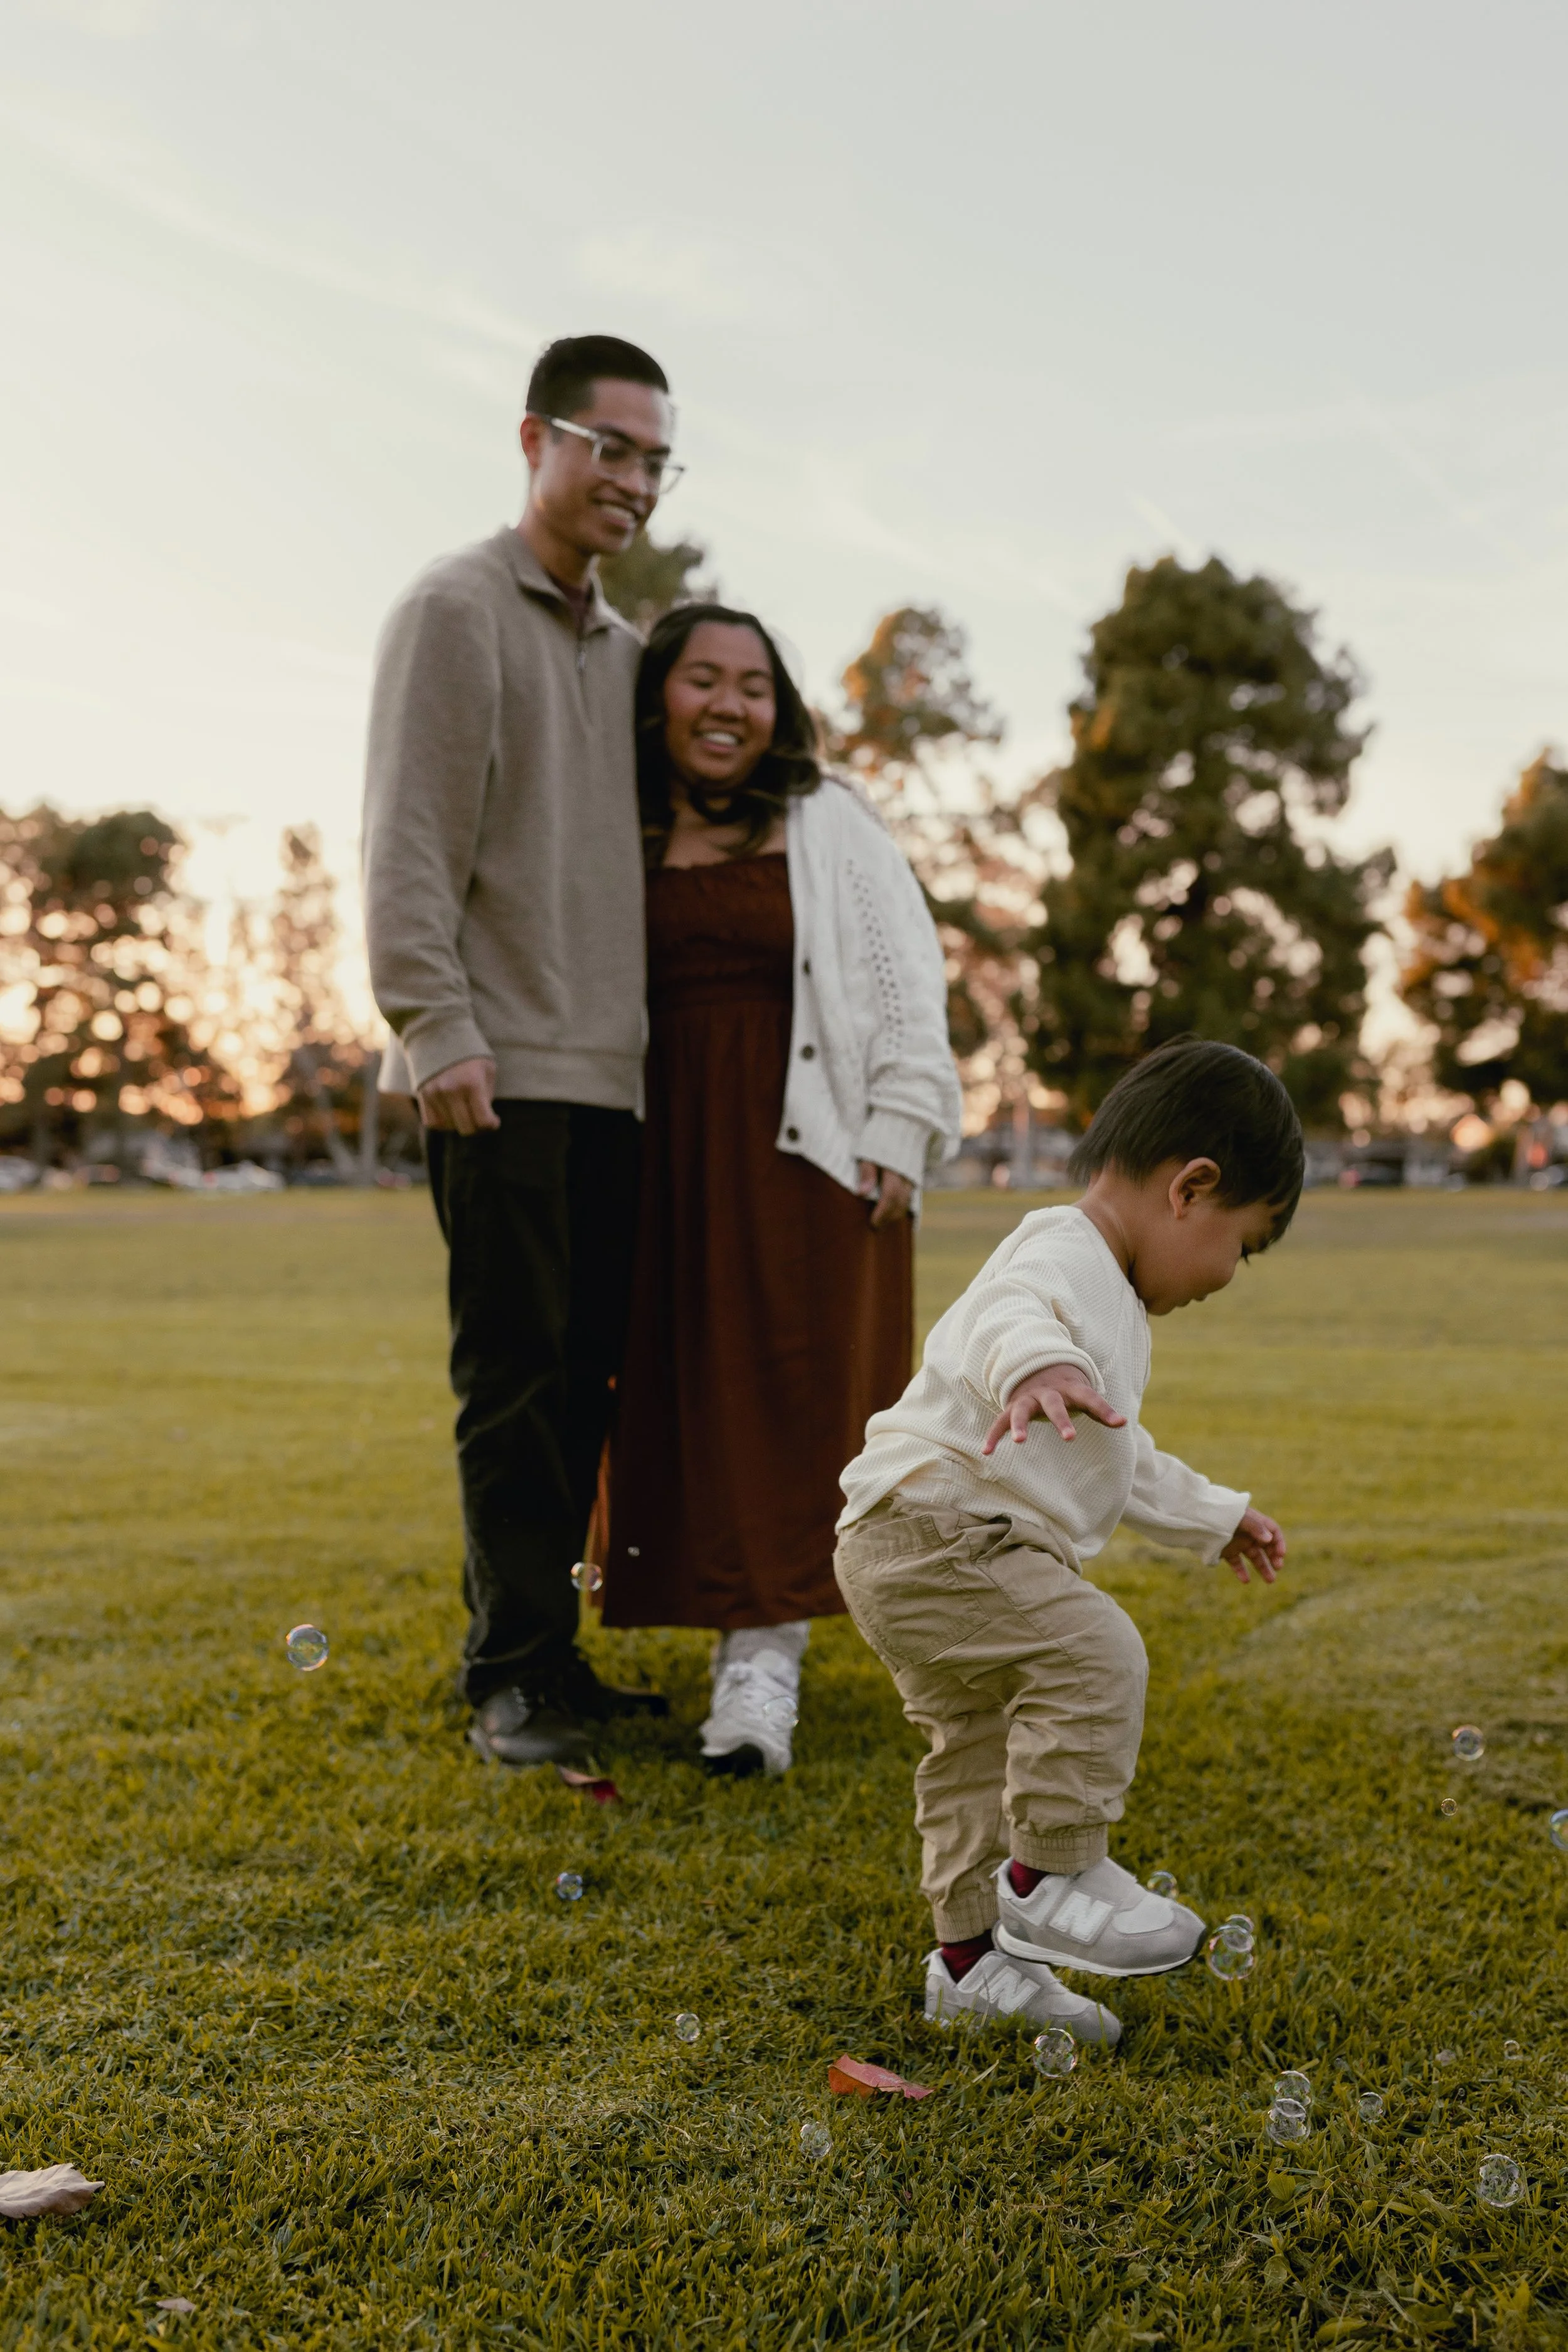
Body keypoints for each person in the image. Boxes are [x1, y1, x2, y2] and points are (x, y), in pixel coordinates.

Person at [833, 1039, 1300, 2046]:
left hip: (898, 1542)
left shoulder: (1111, 1297)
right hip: (940, 1530)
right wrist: (1036, 1364)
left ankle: (969, 1965)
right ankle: (1050, 1874)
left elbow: (1120, 1457)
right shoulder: (1065, 1253)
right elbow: (1006, 1313)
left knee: (974, 1748)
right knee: (1098, 1652)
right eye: (1245, 1243)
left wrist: (1216, 1514)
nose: (1230, 1275)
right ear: (1193, 1188)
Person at [362, 333, 684, 1766]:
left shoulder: (628, 657)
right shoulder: (451, 609)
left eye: (656, 461)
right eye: (609, 446)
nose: (632, 480)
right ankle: (510, 1678)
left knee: (586, 1382)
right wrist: (436, 1027)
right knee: (513, 1380)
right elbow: (407, 840)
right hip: (495, 1069)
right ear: (533, 440)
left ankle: (548, 1656)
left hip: (612, 1079)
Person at [599, 604, 963, 1775]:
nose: (729, 705)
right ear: (658, 697)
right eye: (701, 679)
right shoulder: (617, 823)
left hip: (810, 1157)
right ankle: (677, 1623)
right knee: (673, 1394)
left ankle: (763, 1670)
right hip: (660, 1155)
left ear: (780, 707)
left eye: (753, 685)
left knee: (793, 1402)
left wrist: (904, 1126)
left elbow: (907, 975)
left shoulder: (827, 821)